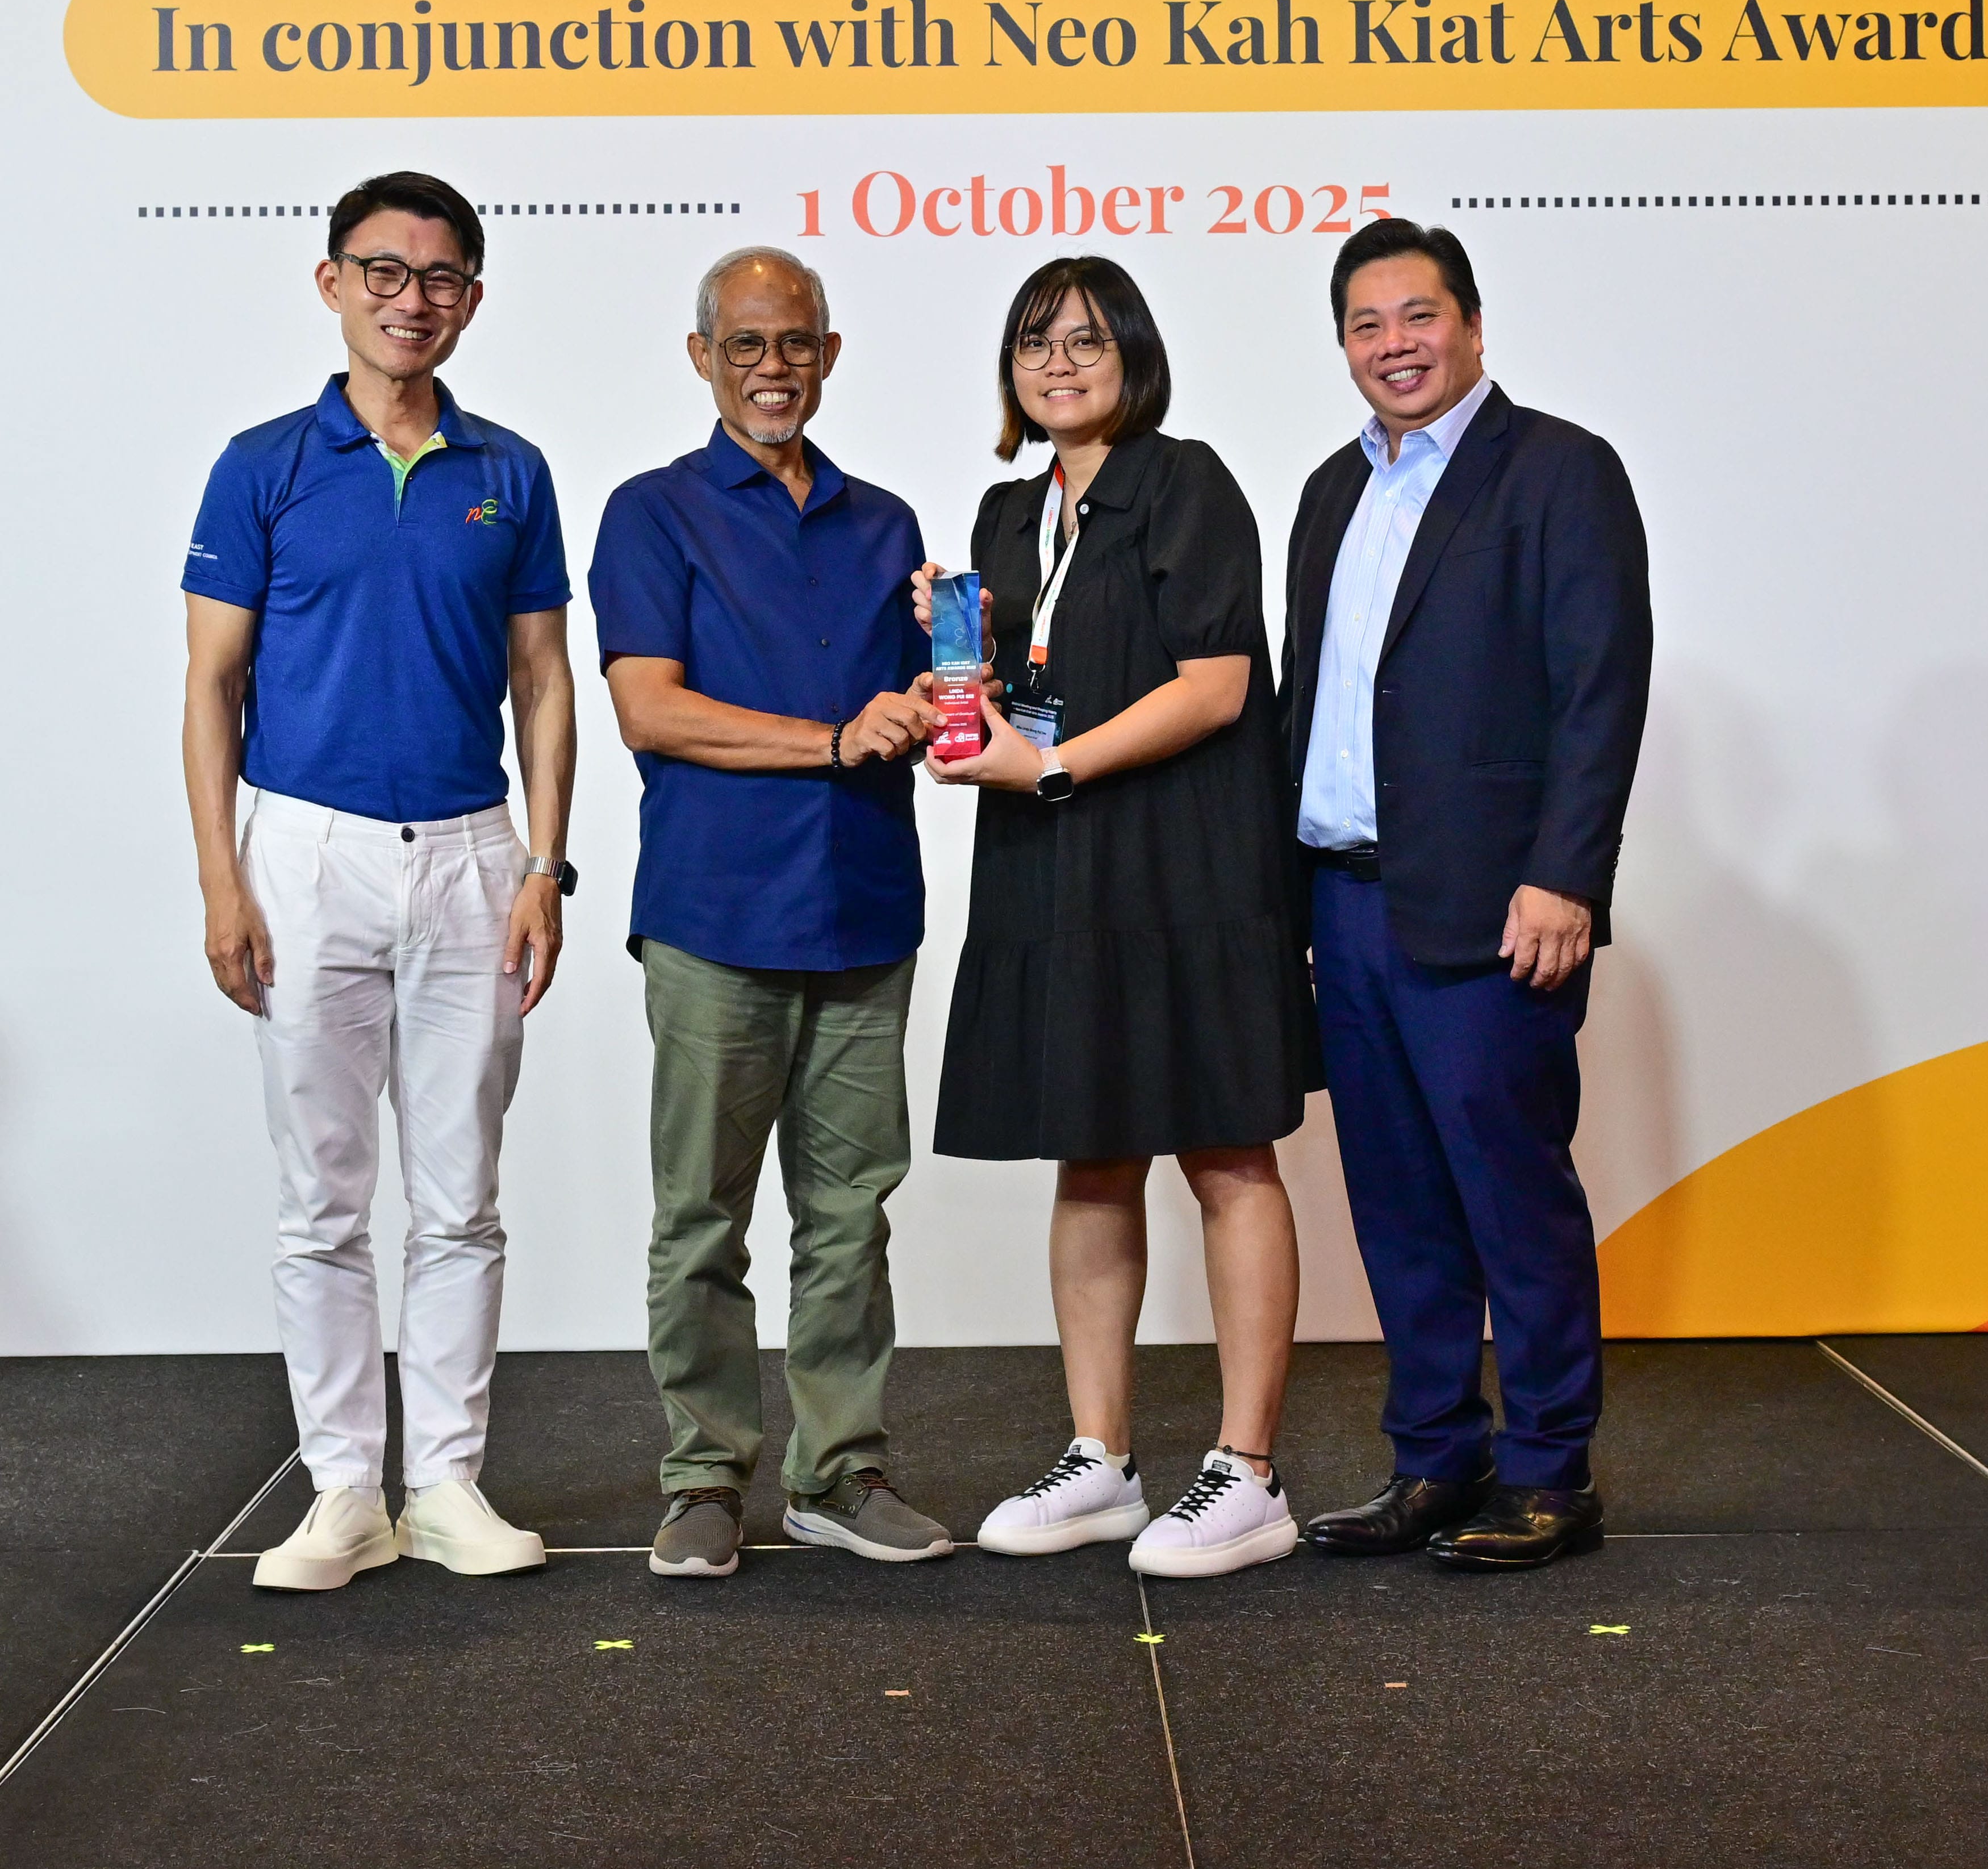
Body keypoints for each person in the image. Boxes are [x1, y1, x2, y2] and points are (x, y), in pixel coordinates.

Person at [183, 170, 580, 1593]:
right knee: (324, 1200)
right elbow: (211, 683)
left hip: (472, 854)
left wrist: (543, 865)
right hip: (304, 851)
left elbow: (543, 680)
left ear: (471, 297)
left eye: (441, 278)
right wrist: (223, 881)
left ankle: (449, 1481)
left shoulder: (509, 472)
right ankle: (344, 1489)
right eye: (385, 272)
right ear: (332, 283)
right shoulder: (263, 465)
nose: (413, 300)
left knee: (461, 1194)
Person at [921, 257, 1321, 1581]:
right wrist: (954, 685)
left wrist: (1045, 764)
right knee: (1088, 1154)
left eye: (1086, 340)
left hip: (1185, 861)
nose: (1058, 363)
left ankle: (1247, 1472)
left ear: (1134, 356)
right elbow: (1030, 688)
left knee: (1225, 1152)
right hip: (1055, 867)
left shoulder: (1184, 481)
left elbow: (1215, 686)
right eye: (1034, 342)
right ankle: (1100, 1458)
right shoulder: (1005, 512)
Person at [1282, 219, 1652, 1571]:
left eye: (1418, 315)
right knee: (1396, 1202)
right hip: (1344, 901)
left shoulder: (1557, 469)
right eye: (1366, 324)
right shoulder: (1330, 489)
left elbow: (1599, 686)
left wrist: (1565, 876)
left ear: (1473, 324)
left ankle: (1550, 1470)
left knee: (1511, 1193)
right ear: (1342, 345)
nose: (1394, 343)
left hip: (1496, 906)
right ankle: (1435, 1455)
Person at [591, 245, 957, 1579]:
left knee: (849, 1217)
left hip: (863, 909)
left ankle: (838, 1471)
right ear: (702, 357)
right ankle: (702, 1477)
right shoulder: (651, 513)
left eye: (795, 342)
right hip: (713, 915)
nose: (771, 368)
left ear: (829, 354)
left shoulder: (888, 526)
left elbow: (924, 714)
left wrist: (955, 674)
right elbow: (651, 710)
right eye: (744, 344)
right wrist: (833, 738)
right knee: (700, 1216)